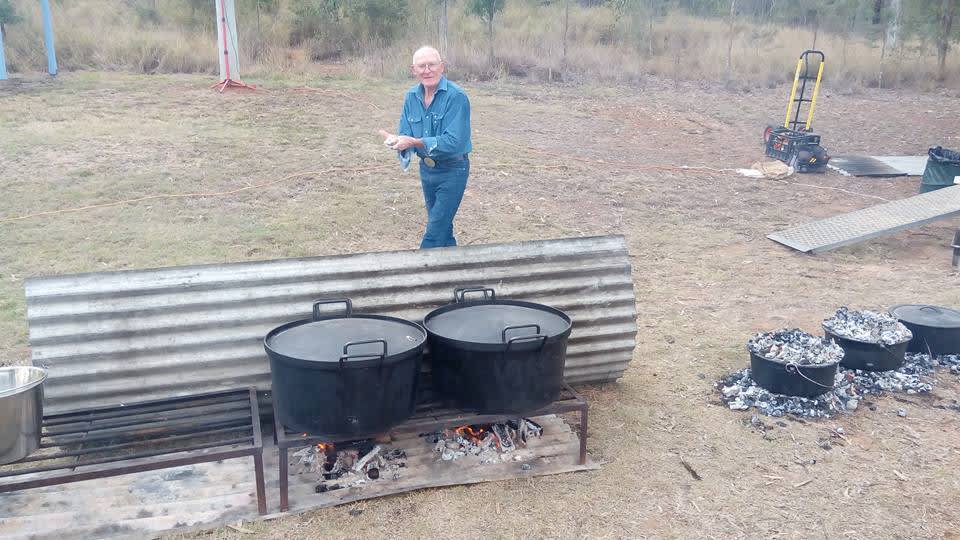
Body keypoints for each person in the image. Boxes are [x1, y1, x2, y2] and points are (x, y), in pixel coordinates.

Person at [380, 46, 472, 249]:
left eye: (432, 65)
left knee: (434, 233)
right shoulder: (411, 97)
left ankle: (419, 275)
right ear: (414, 70)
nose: (427, 70)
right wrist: (397, 141)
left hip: (453, 171)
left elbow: (453, 142)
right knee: (443, 231)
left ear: (442, 67)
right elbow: (406, 133)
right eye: (422, 66)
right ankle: (451, 272)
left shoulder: (456, 97)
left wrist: (414, 142)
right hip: (427, 170)